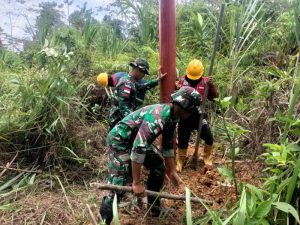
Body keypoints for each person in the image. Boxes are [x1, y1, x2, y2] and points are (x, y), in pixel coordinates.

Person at [99, 86, 202, 225]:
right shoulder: (158, 117)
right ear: (183, 106)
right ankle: (105, 220)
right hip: (120, 140)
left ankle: (154, 208)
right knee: (119, 183)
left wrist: (171, 171)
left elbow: (168, 144)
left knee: (158, 164)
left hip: (137, 140)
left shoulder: (173, 116)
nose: (192, 114)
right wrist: (136, 183)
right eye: (191, 110)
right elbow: (138, 147)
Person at [176, 59, 219, 172]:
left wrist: (211, 86)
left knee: (208, 136)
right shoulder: (181, 81)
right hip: (185, 116)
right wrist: (176, 87)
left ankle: (207, 157)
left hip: (199, 116)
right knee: (182, 140)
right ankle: (180, 160)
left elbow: (214, 98)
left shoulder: (206, 82)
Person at [97, 66, 164, 108]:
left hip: (138, 92)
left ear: (108, 82)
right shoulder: (116, 75)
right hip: (140, 86)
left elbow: (123, 104)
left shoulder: (118, 80)